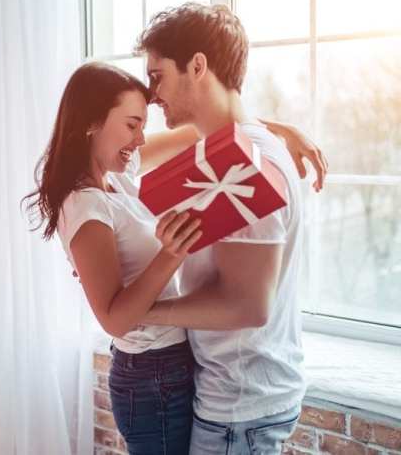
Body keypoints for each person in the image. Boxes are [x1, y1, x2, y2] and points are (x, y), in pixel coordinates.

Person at [23, 58, 325, 453]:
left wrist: (279, 130)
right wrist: (172, 252)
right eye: (132, 125)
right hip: (149, 377)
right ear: (91, 122)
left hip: (173, 365)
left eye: (143, 126)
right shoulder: (85, 207)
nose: (142, 140)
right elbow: (114, 318)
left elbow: (196, 133)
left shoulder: (118, 179)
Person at [135, 2, 309, 454]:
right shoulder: (227, 151)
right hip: (242, 399)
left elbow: (247, 306)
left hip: (240, 409)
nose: (153, 95)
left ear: (197, 66)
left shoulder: (247, 167)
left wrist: (138, 310)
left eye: (157, 76)